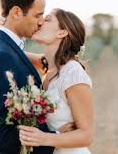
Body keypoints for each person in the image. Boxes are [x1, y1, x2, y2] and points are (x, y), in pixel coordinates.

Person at [0, 0, 73, 154]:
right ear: (16, 13)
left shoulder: (2, 45)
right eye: (37, 15)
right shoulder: (1, 55)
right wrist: (55, 137)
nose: (41, 21)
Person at [19, 8, 94, 154]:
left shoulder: (73, 72)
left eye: (47, 19)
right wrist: (5, 25)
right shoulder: (47, 66)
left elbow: (87, 135)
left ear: (62, 32)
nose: (40, 22)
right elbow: (13, 51)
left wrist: (44, 138)